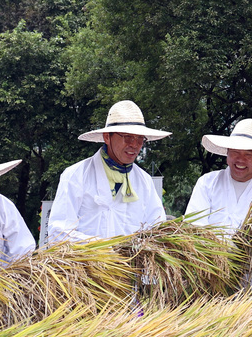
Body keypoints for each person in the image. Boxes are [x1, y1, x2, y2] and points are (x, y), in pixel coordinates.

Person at [46, 100, 170, 241]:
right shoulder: (76, 175)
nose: (134, 145)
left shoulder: (145, 182)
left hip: (131, 263)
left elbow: (156, 230)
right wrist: (104, 249)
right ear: (107, 137)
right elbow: (59, 233)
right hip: (86, 262)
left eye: (140, 139)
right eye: (127, 137)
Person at [184, 118, 252, 235]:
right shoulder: (207, 183)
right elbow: (193, 228)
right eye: (235, 152)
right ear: (227, 152)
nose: (240, 160)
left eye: (248, 154)